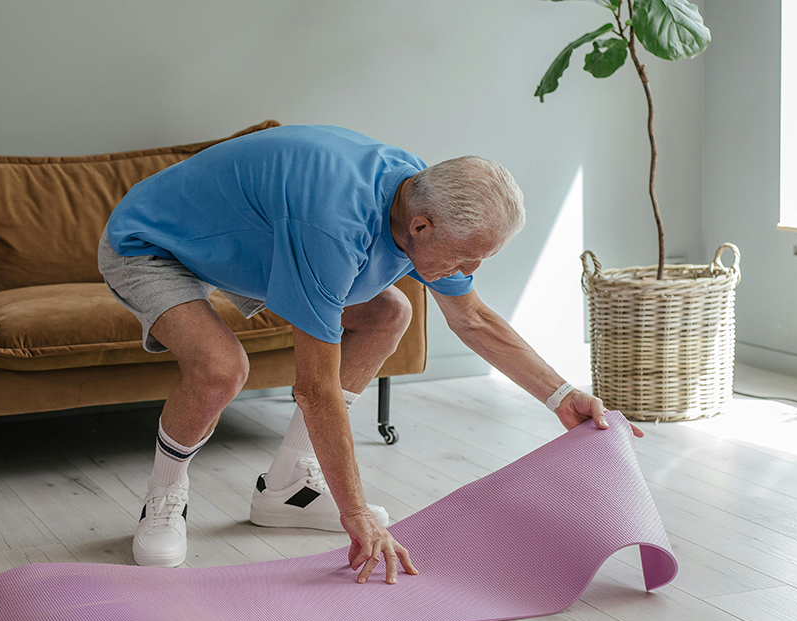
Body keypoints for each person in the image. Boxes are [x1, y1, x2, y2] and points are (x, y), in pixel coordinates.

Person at [98, 124, 642, 582]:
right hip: (154, 242)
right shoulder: (334, 227)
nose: (470, 271)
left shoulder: (421, 198)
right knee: (222, 368)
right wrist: (354, 512)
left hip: (245, 245)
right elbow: (315, 389)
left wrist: (562, 396)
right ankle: (164, 497)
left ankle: (286, 489)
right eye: (466, 258)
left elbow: (472, 318)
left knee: (390, 313)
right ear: (421, 227)